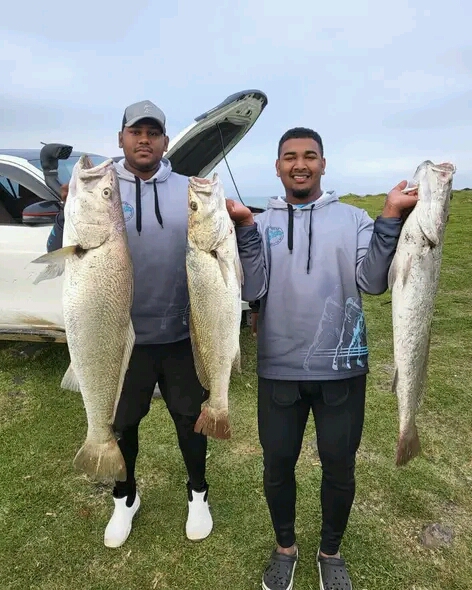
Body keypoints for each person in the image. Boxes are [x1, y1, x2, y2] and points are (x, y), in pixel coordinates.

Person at [226, 127, 418, 590]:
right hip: (278, 369)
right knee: (277, 466)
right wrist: (246, 232)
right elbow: (252, 290)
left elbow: (373, 282)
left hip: (342, 369)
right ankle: (285, 549)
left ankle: (330, 551)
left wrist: (390, 215)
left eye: (310, 156)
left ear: (323, 165)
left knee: (339, 466)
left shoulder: (353, 219)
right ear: (277, 167)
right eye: (290, 156)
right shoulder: (260, 222)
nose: (300, 164)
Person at [47, 100, 213, 549]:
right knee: (121, 423)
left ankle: (198, 494)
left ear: (164, 140)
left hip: (180, 333)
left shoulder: (187, 189)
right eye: (135, 131)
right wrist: (68, 212)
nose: (144, 140)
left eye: (153, 132)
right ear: (121, 137)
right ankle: (125, 497)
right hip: (118, 340)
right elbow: (58, 250)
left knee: (190, 420)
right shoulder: (98, 187)